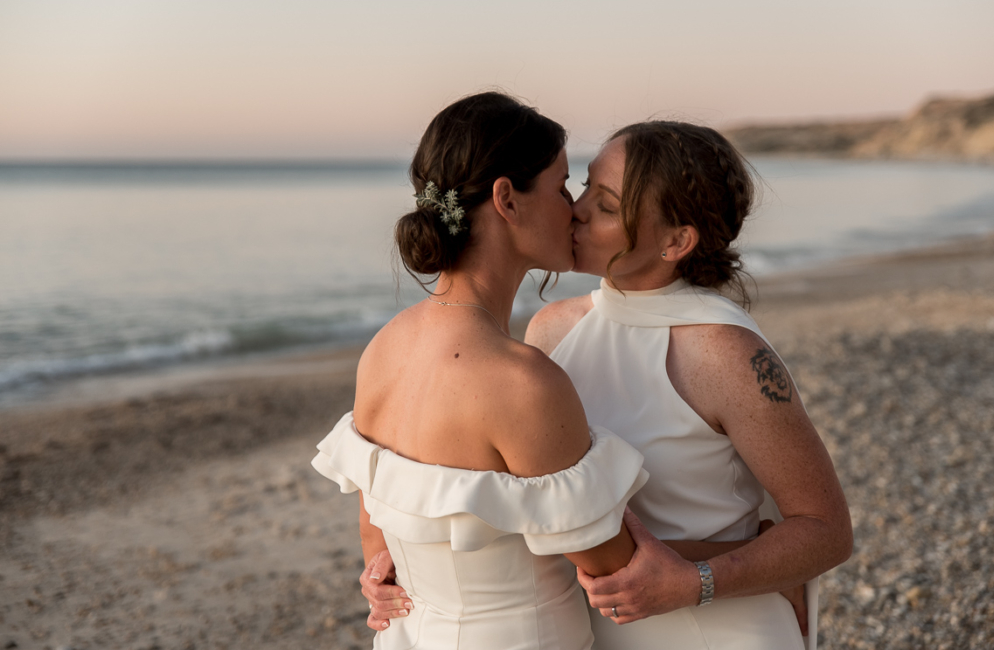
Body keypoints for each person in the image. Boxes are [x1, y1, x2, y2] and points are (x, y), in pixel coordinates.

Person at [311, 92, 647, 650]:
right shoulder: (521, 383)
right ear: (507, 199)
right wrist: (739, 564)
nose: (577, 208)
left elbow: (376, 526)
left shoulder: (384, 348)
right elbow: (613, 568)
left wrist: (388, 577)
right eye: (563, 185)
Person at [524, 122, 853, 649]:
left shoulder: (726, 353)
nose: (578, 210)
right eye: (585, 186)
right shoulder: (551, 331)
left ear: (676, 241)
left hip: (717, 627)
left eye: (606, 206)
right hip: (598, 627)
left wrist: (693, 581)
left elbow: (826, 530)